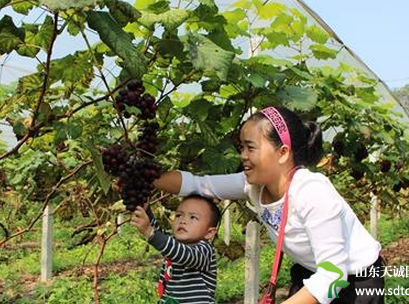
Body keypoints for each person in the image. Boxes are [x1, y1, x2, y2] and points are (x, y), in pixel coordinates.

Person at [153, 106, 384, 304]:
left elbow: (334, 276)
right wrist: (144, 176)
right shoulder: (254, 186)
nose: (242, 155)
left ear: (283, 153)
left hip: (356, 281)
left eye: (250, 147)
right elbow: (198, 184)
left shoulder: (312, 192)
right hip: (314, 272)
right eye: (241, 147)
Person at [131, 194, 221, 304]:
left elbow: (183, 253)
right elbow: (163, 238)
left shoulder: (205, 250)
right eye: (179, 215)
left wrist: (149, 232)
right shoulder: (173, 244)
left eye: (193, 217)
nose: (183, 221)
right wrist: (146, 211)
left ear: (209, 233)